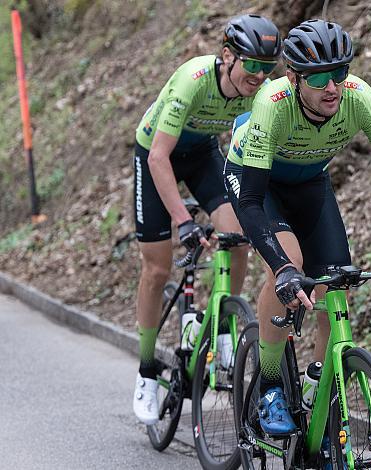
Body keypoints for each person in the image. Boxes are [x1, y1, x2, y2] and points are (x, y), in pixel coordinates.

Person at [223, 19, 371, 437]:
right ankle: (268, 384)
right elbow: (249, 201)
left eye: (340, 73)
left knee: (335, 288)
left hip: (310, 183)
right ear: (293, 77)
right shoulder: (272, 101)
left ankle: (316, 392)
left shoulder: (359, 97)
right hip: (257, 182)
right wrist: (282, 267)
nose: (332, 87)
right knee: (291, 263)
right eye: (319, 77)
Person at [131, 14, 282, 425]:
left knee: (236, 236)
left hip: (201, 157)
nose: (259, 75)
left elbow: (257, 155)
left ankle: (221, 327)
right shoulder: (192, 79)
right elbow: (159, 156)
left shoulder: (262, 92)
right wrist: (183, 221)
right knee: (157, 267)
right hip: (156, 154)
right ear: (227, 56)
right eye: (251, 65)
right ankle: (146, 370)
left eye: (267, 68)